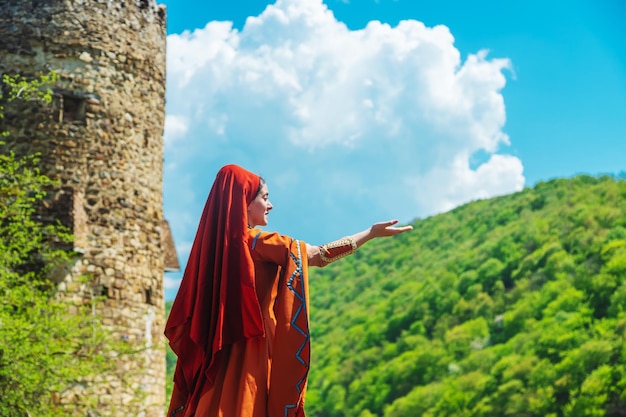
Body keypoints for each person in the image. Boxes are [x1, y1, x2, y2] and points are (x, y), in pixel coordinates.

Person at [165, 164, 412, 417]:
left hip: (217, 359)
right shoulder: (258, 242)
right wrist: (369, 233)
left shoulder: (213, 254)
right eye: (265, 197)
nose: (270, 205)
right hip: (253, 352)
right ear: (245, 202)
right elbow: (318, 255)